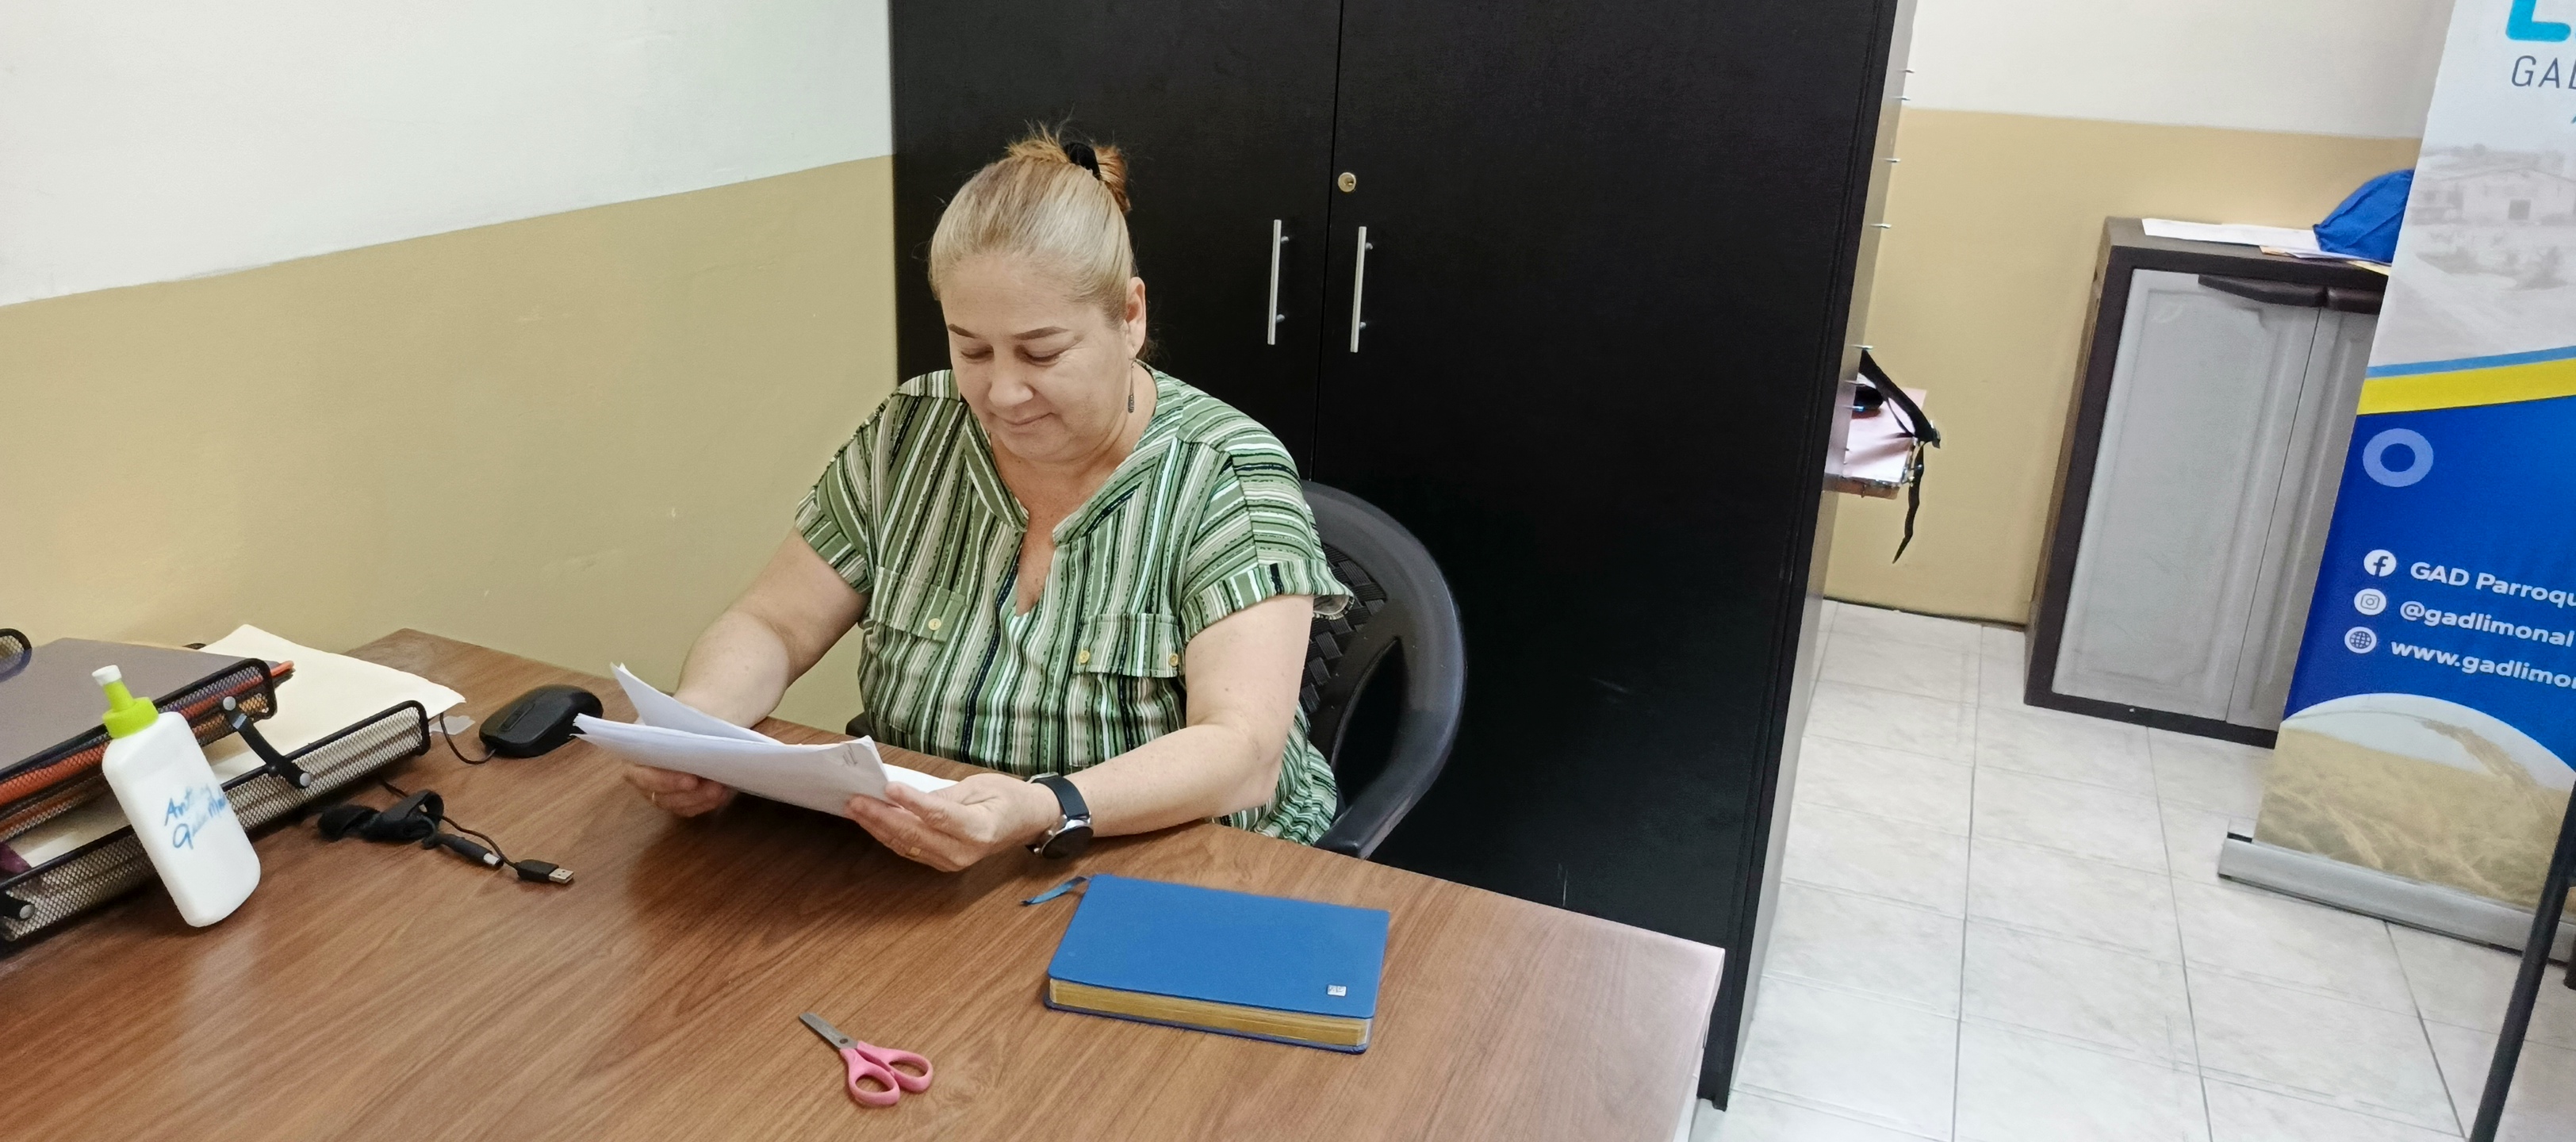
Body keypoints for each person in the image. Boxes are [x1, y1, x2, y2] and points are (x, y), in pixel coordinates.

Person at [623, 130, 1351, 870]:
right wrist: (701, 724)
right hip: (926, 857)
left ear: (1130, 317)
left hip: (1184, 869)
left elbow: (1241, 750)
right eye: (971, 349)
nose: (1002, 392)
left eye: (1042, 352)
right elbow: (774, 624)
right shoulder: (909, 433)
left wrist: (1046, 806)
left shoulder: (1228, 476)